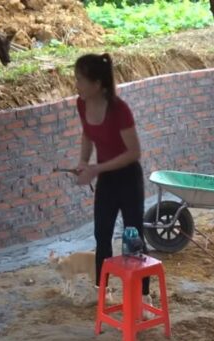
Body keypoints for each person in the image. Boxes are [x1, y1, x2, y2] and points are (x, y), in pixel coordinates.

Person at [72, 53, 150, 300]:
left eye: (80, 80)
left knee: (133, 235)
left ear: (97, 84)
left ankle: (142, 294)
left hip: (128, 178)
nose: (77, 85)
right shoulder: (82, 103)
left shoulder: (119, 109)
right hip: (106, 178)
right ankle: (102, 291)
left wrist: (97, 169)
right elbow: (87, 134)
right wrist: (84, 163)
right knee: (101, 234)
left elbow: (134, 152)